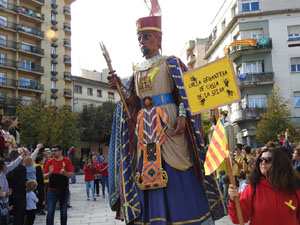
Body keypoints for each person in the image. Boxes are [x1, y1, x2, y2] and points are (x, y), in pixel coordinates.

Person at [107, 3, 225, 224]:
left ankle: (188, 217)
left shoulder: (171, 62)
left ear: (159, 40)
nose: (142, 42)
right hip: (146, 128)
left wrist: (182, 116)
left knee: (178, 167)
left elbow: (183, 93)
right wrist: (120, 88)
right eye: (140, 38)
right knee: (149, 170)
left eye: (147, 37)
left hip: (169, 123)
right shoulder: (136, 69)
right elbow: (134, 102)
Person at [228, 147, 300, 224]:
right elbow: (238, 218)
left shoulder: (294, 186)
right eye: (260, 160)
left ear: (280, 163)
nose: (263, 162)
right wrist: (233, 200)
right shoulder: (253, 187)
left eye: (268, 160)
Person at [43, 144, 73, 225]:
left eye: (55, 151)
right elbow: (44, 177)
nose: (53, 152)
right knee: (50, 211)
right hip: (52, 190)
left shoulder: (67, 161)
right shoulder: (49, 162)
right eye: (53, 151)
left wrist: (64, 173)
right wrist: (50, 173)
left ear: (61, 151)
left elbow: (71, 175)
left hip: (64, 189)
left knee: (63, 212)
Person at [6, 150, 27, 225]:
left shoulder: (5, 168)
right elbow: (22, 182)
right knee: (18, 216)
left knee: (7, 215)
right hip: (19, 194)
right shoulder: (22, 168)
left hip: (7, 194)